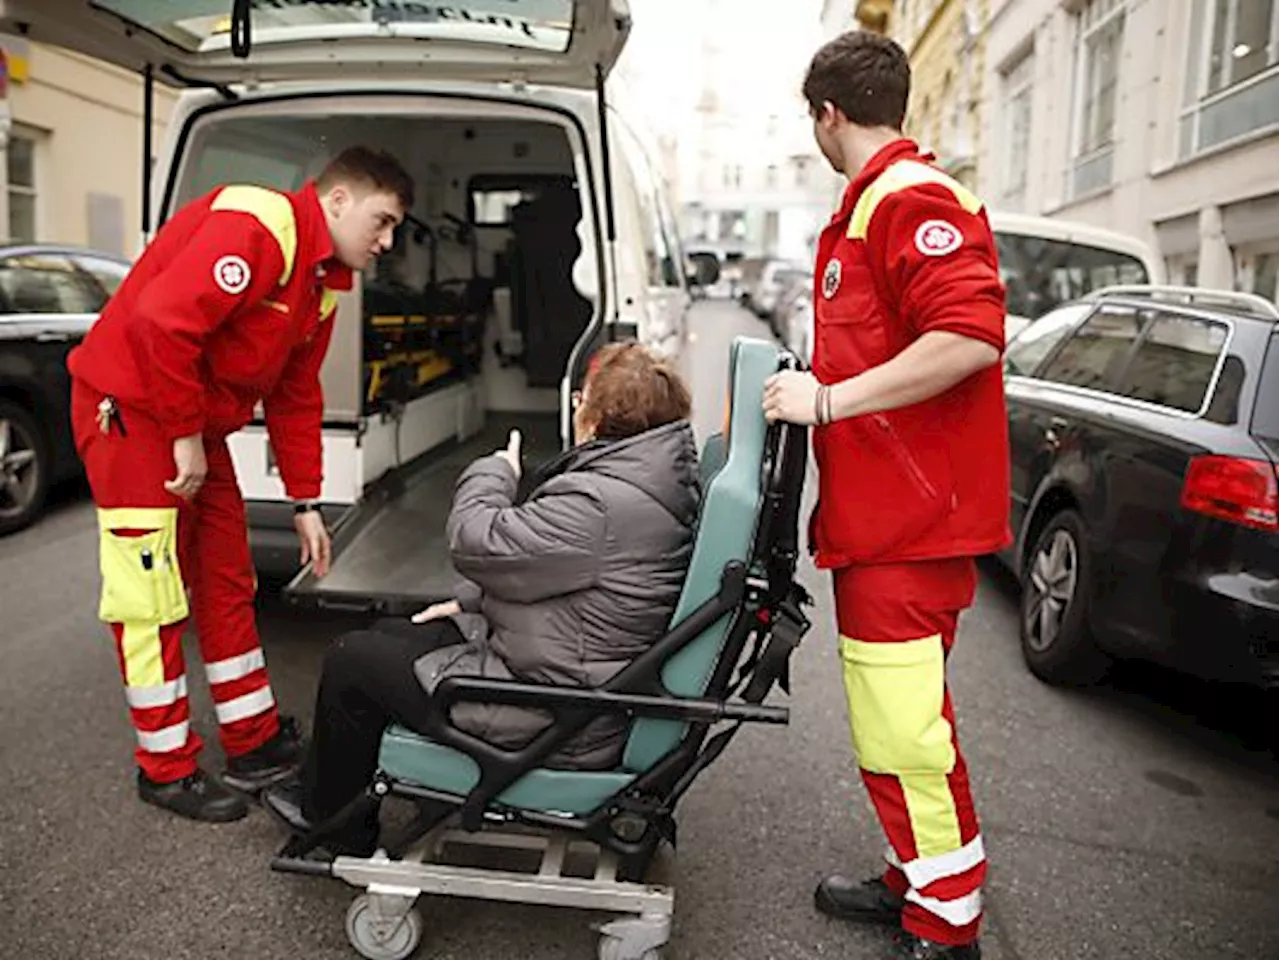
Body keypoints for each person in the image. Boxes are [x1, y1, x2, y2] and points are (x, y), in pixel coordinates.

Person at [69, 146, 414, 823]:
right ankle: (164, 768)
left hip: (185, 421)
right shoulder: (258, 227)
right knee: (149, 595)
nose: (387, 242)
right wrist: (185, 434)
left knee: (227, 577)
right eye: (383, 221)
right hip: (131, 412)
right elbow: (161, 324)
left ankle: (251, 741)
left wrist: (305, 502)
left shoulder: (321, 285)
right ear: (338, 200)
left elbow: (293, 395)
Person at [762, 32, 1010, 960]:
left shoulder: (908, 201)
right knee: (905, 723)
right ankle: (920, 881)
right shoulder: (876, 205)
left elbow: (970, 336)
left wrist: (826, 399)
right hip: (891, 522)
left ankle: (948, 927)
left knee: (904, 733)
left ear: (828, 113)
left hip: (907, 527)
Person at [261, 342, 700, 855]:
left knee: (352, 661)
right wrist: (473, 604)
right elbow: (556, 583)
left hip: (553, 712)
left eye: (582, 399)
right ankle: (335, 793)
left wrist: (496, 471)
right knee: (391, 630)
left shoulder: (601, 502)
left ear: (597, 416)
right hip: (566, 678)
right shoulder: (647, 485)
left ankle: (336, 826)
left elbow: (477, 541)